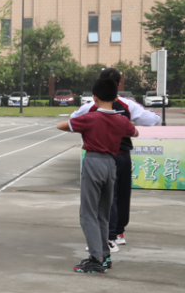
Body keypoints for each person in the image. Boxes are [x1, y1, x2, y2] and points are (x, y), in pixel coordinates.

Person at [69, 67, 161, 249]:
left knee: (104, 197)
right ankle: (118, 232)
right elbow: (153, 119)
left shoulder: (91, 106)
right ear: (119, 84)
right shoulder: (128, 105)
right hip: (122, 156)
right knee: (121, 194)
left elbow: (73, 119)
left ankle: (108, 237)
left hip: (101, 156)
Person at [56, 78, 139, 273]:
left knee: (87, 213)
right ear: (115, 97)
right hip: (112, 163)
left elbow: (61, 125)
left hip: (93, 162)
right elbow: (134, 132)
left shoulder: (90, 118)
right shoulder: (121, 120)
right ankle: (104, 255)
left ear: (94, 98)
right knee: (103, 213)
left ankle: (95, 258)